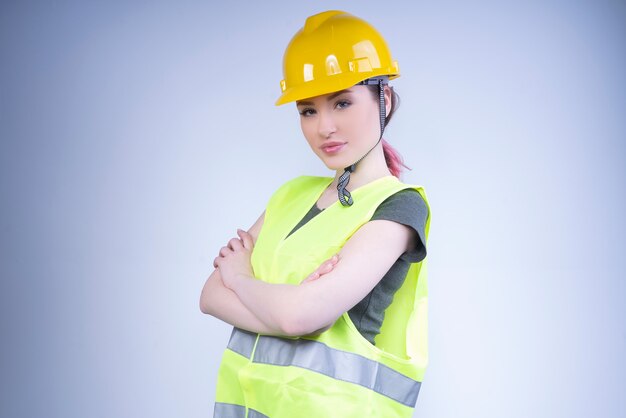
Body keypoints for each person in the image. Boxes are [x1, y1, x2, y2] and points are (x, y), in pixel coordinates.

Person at [200, 10, 431, 418]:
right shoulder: (290, 195)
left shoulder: (399, 206)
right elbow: (210, 296)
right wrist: (290, 308)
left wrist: (240, 277)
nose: (324, 127)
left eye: (342, 102)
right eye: (308, 110)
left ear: (385, 99)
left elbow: (299, 315)